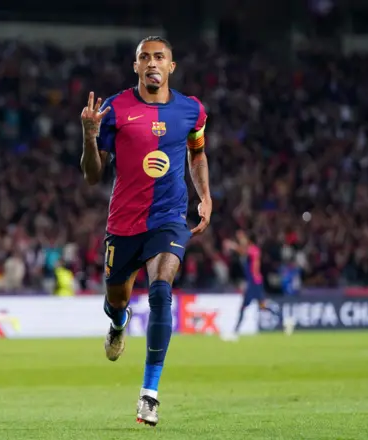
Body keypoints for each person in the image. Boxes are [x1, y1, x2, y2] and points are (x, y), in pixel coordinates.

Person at [80, 36, 212, 426]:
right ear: (135, 66)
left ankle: (149, 394)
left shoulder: (192, 111)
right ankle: (118, 323)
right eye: (144, 57)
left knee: (161, 291)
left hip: (169, 218)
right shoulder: (115, 109)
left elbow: (197, 151)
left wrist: (204, 195)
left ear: (172, 66)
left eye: (159, 57)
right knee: (117, 299)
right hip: (124, 224)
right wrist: (89, 135)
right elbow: (92, 176)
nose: (152, 62)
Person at [221, 231, 295, 341]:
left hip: (254, 283)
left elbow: (243, 251)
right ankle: (285, 320)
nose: (241, 241)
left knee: (245, 307)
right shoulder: (249, 250)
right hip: (254, 282)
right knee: (262, 305)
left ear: (249, 240)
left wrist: (232, 245)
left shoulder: (254, 249)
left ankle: (235, 332)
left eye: (243, 239)